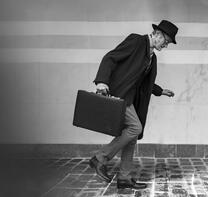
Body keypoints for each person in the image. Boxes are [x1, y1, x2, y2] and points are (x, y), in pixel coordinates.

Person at [89, 20, 178, 189]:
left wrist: (160, 91)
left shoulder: (152, 57)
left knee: (132, 137)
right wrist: (101, 82)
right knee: (135, 128)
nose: (166, 45)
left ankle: (124, 178)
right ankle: (100, 158)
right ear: (157, 34)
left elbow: (144, 82)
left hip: (132, 99)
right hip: (120, 96)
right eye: (166, 41)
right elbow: (110, 58)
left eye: (167, 43)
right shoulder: (136, 41)